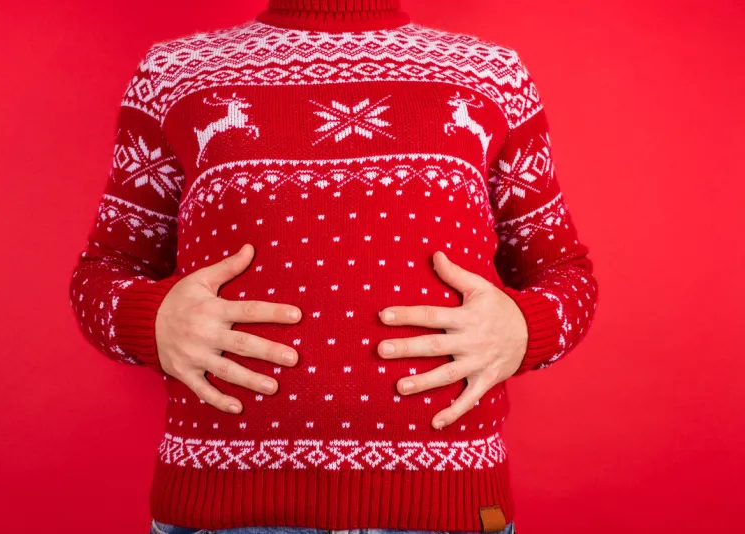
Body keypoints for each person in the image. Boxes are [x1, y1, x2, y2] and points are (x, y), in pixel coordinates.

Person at [68, 1, 599, 533]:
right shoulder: (174, 73)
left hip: (447, 507)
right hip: (223, 509)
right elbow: (104, 270)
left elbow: (566, 272)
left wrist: (524, 329)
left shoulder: (492, 76)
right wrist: (153, 322)